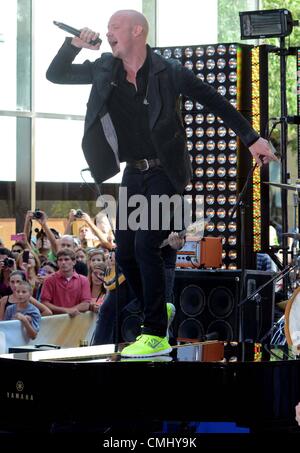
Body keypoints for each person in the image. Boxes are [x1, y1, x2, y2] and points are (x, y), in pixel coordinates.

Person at [46, 10, 277, 357]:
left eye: (115, 28)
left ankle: (154, 332)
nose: (108, 33)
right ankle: (159, 308)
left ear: (137, 31)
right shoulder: (105, 68)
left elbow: (215, 101)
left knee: (145, 244)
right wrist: (74, 45)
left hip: (165, 172)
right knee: (124, 253)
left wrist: (252, 138)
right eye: (107, 29)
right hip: (133, 173)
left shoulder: (169, 72)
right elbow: (57, 74)